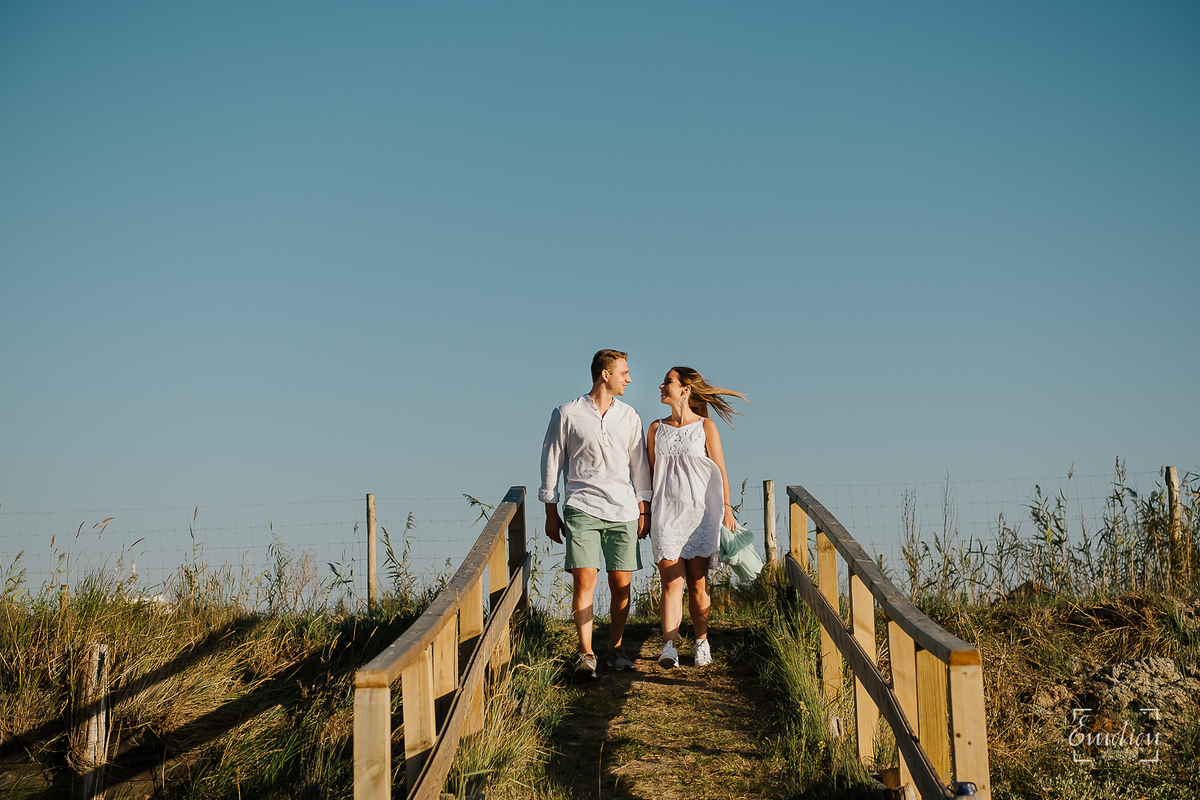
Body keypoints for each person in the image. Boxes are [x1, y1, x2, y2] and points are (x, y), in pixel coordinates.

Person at [540, 349, 652, 679]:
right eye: (624, 373)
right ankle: (586, 653)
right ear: (605, 375)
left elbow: (640, 466)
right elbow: (551, 463)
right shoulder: (567, 413)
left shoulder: (630, 416)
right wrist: (550, 510)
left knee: (621, 583)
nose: (629, 379)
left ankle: (615, 648)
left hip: (623, 509)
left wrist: (642, 506)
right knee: (584, 580)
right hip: (582, 507)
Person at [648, 366, 747, 668]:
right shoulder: (655, 428)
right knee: (670, 584)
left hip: (700, 514)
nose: (661, 386)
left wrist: (727, 509)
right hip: (666, 513)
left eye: (668, 382)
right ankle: (669, 647)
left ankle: (702, 643)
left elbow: (720, 470)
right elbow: (652, 475)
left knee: (697, 584)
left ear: (685, 389)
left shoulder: (706, 427)